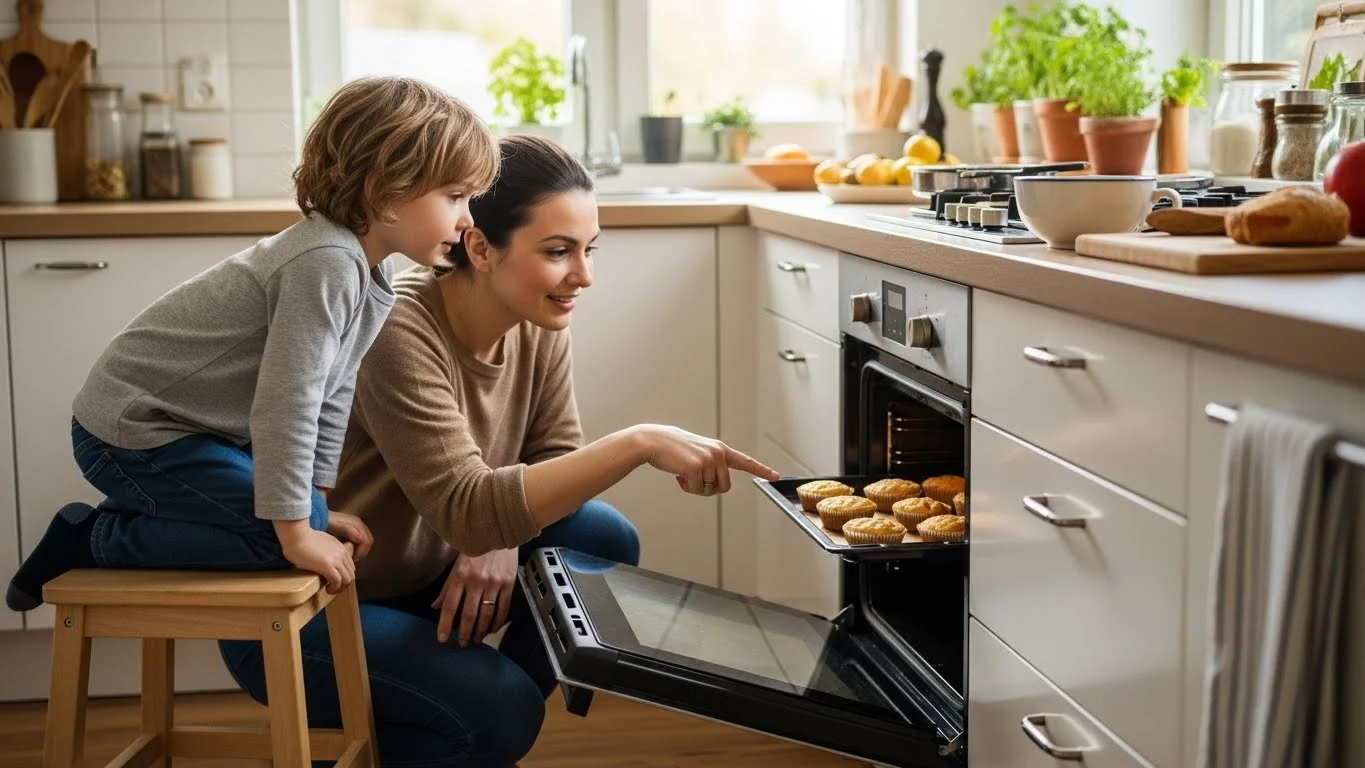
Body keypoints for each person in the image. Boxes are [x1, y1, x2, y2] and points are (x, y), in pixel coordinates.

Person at [219, 134, 780, 767]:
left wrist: (500, 538)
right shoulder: (397, 328)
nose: (584, 276)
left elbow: (554, 458)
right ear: (481, 248)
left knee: (600, 539)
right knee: (502, 711)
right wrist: (640, 441)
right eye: (558, 252)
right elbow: (468, 505)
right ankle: (471, 719)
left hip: (422, 576)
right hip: (324, 602)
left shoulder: (536, 318)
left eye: (588, 250)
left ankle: (460, 724)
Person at [4, 76, 499, 612]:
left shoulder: (371, 274)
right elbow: (289, 404)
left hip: (201, 435)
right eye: (454, 196)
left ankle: (232, 518)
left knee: (298, 523)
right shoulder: (326, 262)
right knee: (278, 543)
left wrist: (315, 504)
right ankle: (93, 538)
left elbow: (332, 396)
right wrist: (299, 529)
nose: (467, 216)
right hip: (134, 432)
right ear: (384, 191)